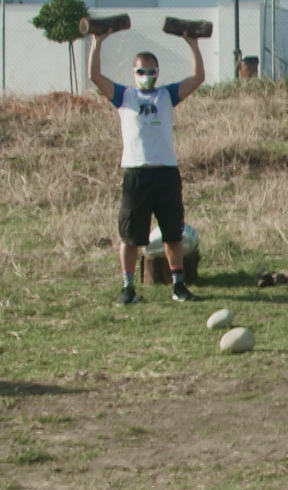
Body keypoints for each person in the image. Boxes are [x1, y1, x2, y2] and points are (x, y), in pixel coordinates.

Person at [88, 24, 206, 304]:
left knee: (173, 234)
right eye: (141, 71)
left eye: (151, 71)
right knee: (131, 236)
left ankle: (179, 286)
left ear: (158, 73)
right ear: (133, 73)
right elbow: (94, 76)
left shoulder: (167, 95)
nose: (146, 76)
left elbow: (198, 78)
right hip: (136, 174)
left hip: (165, 172)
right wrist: (98, 40)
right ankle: (128, 288)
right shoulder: (124, 96)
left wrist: (193, 44)